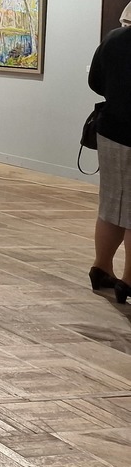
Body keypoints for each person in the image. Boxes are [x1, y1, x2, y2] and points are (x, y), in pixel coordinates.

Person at [88, 25, 131, 301]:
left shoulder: (114, 38)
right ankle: (129, 280)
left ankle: (101, 267)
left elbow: (95, 82)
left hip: (111, 130)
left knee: (111, 203)